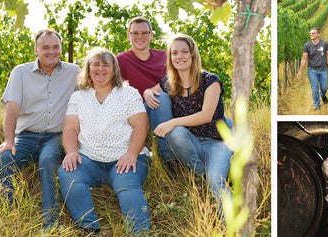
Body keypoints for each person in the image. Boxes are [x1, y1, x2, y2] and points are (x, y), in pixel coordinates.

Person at [0, 29, 80, 230]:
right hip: (26, 136)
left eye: (56, 47)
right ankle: (4, 216)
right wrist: (8, 140)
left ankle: (51, 223)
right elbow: (12, 108)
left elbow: (90, 99)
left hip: (57, 136)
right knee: (2, 160)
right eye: (45, 47)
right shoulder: (20, 72)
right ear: (36, 50)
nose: (51, 51)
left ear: (61, 49)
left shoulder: (74, 72)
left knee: (48, 160)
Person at [58, 47, 150, 235]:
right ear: (88, 69)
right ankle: (88, 228)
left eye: (106, 65)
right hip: (90, 160)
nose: (100, 69)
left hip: (126, 158)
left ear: (114, 69)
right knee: (68, 173)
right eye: (95, 65)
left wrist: (132, 154)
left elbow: (141, 126)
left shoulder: (129, 93)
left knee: (125, 182)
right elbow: (70, 128)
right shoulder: (78, 96)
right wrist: (71, 152)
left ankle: (139, 232)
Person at [143, 34, 233, 216]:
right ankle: (200, 173)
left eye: (184, 52)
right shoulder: (169, 83)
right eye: (174, 53)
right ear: (170, 58)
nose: (179, 56)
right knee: (176, 134)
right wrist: (146, 92)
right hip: (189, 143)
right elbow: (152, 91)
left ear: (193, 55)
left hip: (216, 143)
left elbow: (207, 115)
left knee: (216, 181)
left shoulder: (210, 80)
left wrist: (172, 122)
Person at [116, 16, 175, 167]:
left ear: (151, 35)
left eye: (144, 33)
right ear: (129, 36)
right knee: (160, 98)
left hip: (172, 110)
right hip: (142, 114)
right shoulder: (121, 60)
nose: (140, 37)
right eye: (135, 33)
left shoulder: (164, 56)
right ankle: (168, 159)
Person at [297, 27, 328, 110]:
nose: (311, 35)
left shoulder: (324, 44)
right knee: (315, 88)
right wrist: (300, 71)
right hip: (312, 70)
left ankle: (323, 95)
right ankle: (317, 105)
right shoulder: (307, 45)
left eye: (313, 33)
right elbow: (304, 59)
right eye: (310, 33)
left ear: (318, 34)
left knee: (324, 88)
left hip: (324, 69)